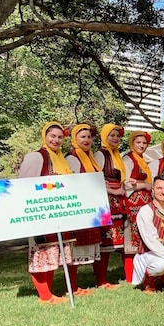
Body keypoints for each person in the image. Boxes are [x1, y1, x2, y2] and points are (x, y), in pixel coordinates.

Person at [18, 122, 75, 304]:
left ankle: (49, 293)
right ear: (45, 136)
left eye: (60, 137)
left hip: (59, 213)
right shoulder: (36, 157)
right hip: (41, 212)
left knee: (54, 252)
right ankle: (45, 295)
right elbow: (24, 184)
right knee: (41, 252)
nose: (56, 140)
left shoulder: (61, 160)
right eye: (53, 136)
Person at [64, 124, 107, 293]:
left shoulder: (90, 157)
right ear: (75, 139)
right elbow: (73, 183)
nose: (87, 140)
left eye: (89, 137)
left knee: (91, 243)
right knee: (74, 247)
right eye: (82, 137)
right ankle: (73, 287)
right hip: (79, 207)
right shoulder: (72, 158)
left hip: (91, 205)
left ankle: (95, 281)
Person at [131, 175, 164, 292]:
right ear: (153, 190)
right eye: (159, 188)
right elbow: (151, 241)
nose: (163, 192)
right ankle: (148, 280)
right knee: (161, 264)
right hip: (149, 254)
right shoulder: (146, 211)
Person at [94, 124, 127, 284]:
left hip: (117, 201)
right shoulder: (101, 154)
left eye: (117, 136)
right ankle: (101, 279)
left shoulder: (116, 155)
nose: (115, 138)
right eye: (111, 135)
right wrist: (113, 191)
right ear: (104, 136)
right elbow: (96, 178)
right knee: (105, 240)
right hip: (107, 200)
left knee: (116, 239)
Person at [121, 131, 153, 283]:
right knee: (132, 239)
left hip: (143, 201)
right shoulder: (128, 159)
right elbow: (126, 183)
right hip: (133, 202)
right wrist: (145, 185)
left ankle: (143, 273)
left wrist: (142, 185)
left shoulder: (142, 160)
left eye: (144, 143)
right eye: (138, 142)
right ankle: (129, 276)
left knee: (144, 236)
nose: (141, 145)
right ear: (132, 143)